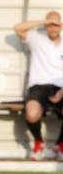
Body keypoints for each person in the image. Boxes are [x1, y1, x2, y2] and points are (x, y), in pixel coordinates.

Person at [14, 11, 63, 161]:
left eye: (56, 25)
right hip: (39, 86)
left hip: (60, 87)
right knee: (32, 113)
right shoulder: (37, 39)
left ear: (61, 26)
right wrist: (43, 21)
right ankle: (39, 142)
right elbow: (18, 28)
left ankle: (60, 145)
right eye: (50, 25)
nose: (52, 28)